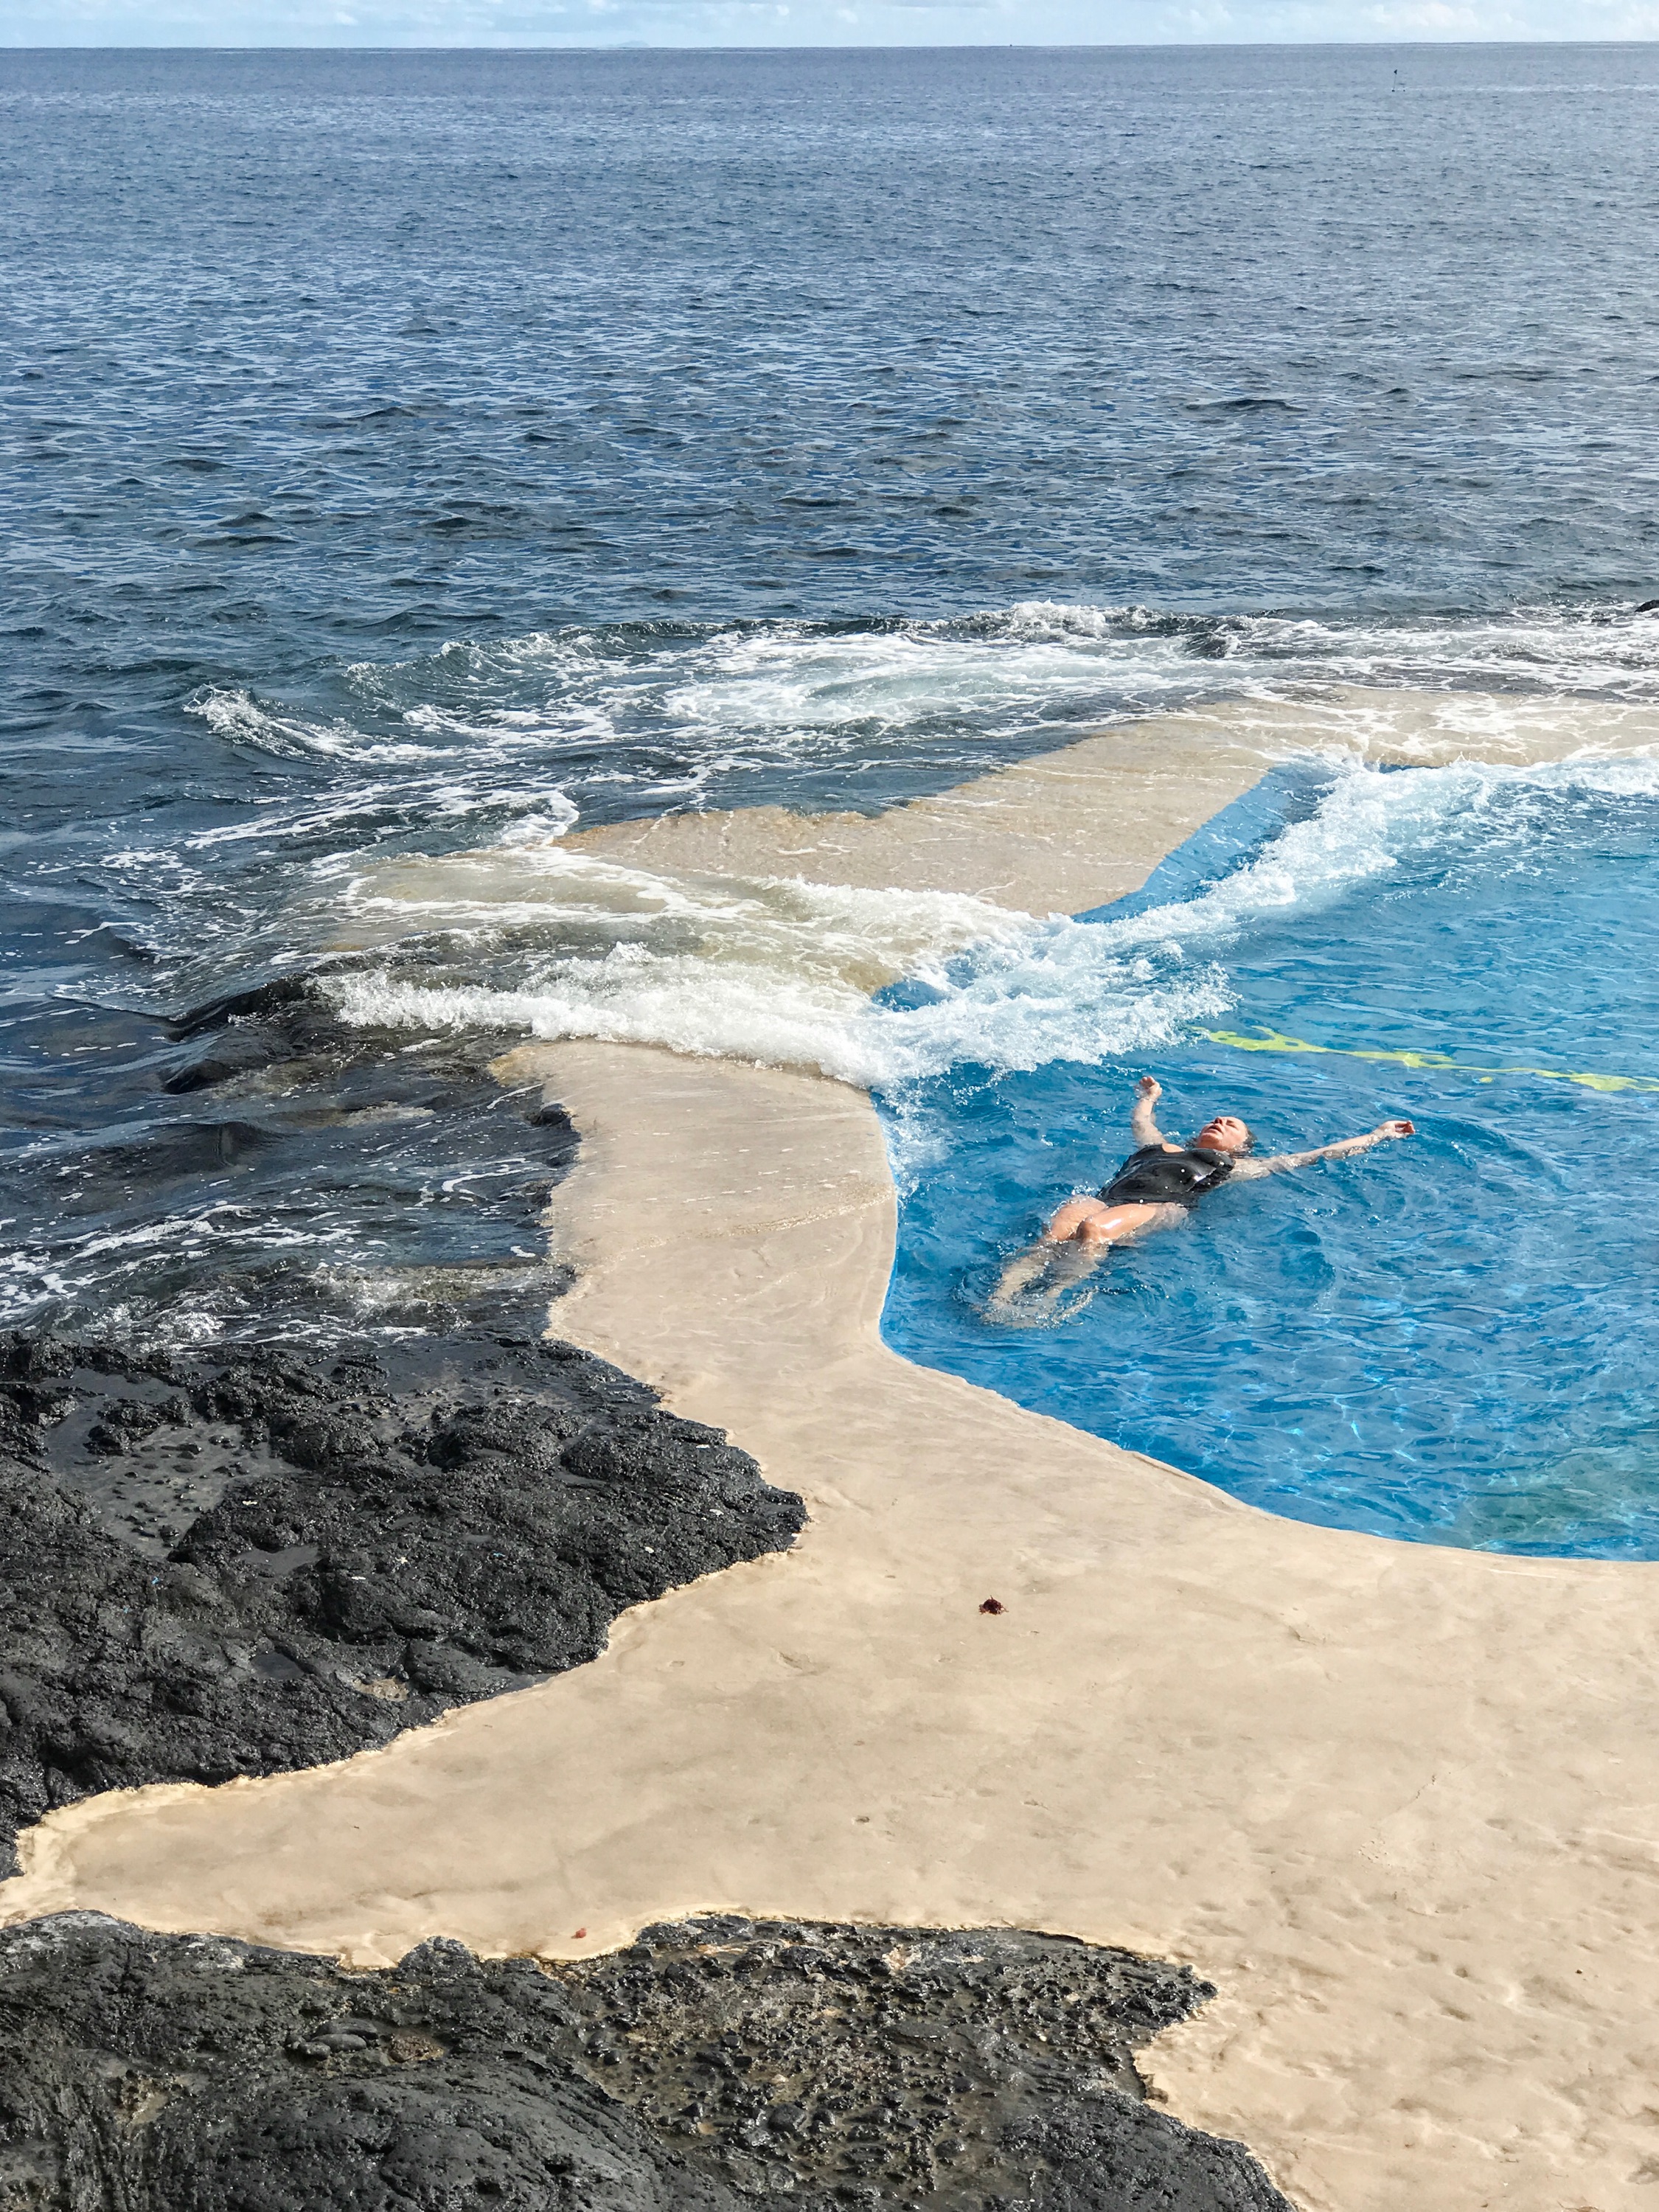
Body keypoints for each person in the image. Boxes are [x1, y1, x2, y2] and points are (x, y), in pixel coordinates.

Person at [987, 1076, 1415, 1321]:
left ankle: (1049, 1299)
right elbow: (1142, 1121)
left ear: (1241, 1146)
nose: (1220, 1120)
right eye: (1217, 1118)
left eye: (1231, 1125)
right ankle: (1001, 1297)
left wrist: (1376, 1136)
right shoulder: (1159, 1147)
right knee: (1058, 1229)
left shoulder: (1235, 1167)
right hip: (1107, 1198)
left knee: (1092, 1229)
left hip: (1161, 1209)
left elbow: (1315, 1156)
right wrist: (1149, 1098)